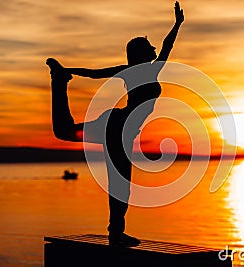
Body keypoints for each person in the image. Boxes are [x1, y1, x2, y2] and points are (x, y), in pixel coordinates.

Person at [46, 1, 184, 247]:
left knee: (65, 133)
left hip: (116, 123)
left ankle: (58, 80)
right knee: (120, 184)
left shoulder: (129, 70)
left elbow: (94, 73)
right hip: (119, 128)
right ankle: (116, 234)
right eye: (149, 47)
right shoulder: (149, 72)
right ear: (142, 53)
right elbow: (166, 46)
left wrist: (177, 24)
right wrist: (177, 24)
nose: (154, 49)